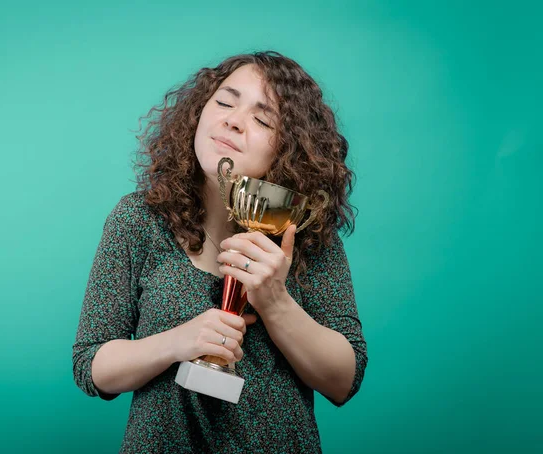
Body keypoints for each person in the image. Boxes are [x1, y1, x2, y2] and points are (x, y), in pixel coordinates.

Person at [72, 51, 368, 453]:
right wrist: (178, 342)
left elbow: (343, 381)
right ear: (199, 112)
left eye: (263, 119)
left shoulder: (306, 236)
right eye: (225, 102)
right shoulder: (138, 220)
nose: (233, 120)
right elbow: (91, 365)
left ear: (290, 149)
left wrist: (275, 302)